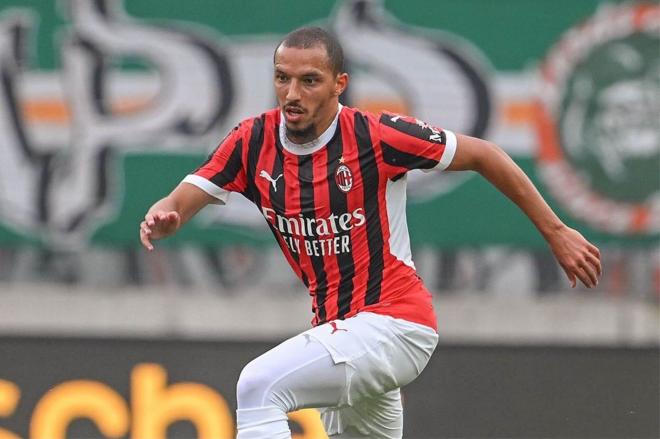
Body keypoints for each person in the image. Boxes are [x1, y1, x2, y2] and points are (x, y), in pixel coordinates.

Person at [139, 26, 602, 439]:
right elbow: (182, 198)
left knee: (258, 387)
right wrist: (166, 216)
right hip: (342, 336)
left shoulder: (375, 136)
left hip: (394, 323)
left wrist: (556, 231)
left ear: (340, 84)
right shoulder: (252, 140)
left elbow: (484, 155)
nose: (291, 93)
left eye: (309, 80)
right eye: (282, 78)